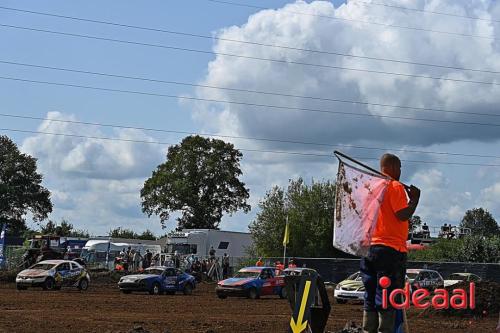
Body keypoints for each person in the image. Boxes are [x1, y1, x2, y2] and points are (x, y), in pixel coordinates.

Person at [360, 153, 420, 333]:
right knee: (386, 296)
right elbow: (402, 214)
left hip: (369, 248)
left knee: (370, 294)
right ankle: (384, 330)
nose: (401, 171)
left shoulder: (372, 188)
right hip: (390, 249)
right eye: (400, 167)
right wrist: (415, 200)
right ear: (393, 167)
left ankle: (367, 330)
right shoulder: (394, 186)